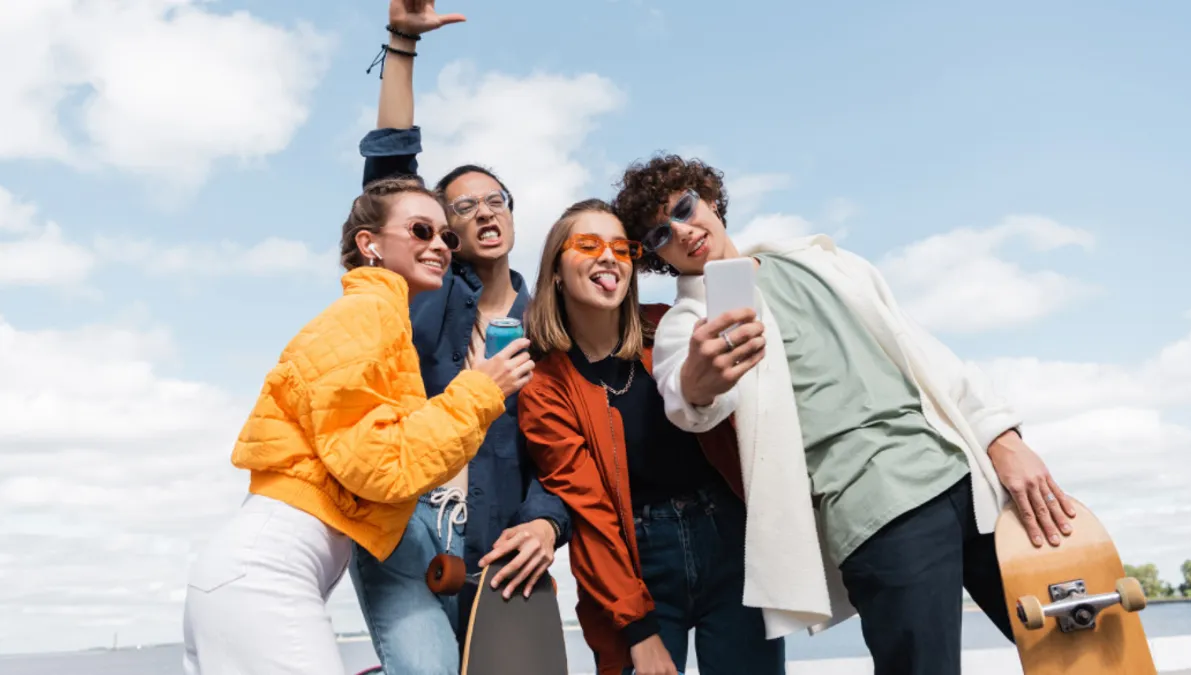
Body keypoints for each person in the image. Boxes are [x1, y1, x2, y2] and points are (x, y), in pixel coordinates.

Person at [611, 154, 1078, 675]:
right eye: (658, 235)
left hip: (976, 481)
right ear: (657, 258)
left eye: (683, 207)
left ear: (710, 198)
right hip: (879, 513)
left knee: (1079, 653)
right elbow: (685, 401)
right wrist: (703, 376)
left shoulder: (821, 260)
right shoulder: (689, 323)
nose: (680, 230)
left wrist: (1004, 441)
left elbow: (926, 354)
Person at [181, 178, 535, 675]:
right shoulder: (366, 315)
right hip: (265, 575)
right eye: (419, 230)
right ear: (369, 244)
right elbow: (378, 466)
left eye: (444, 237)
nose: (438, 245)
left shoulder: (385, 320)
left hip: (259, 574)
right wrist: (482, 390)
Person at [350, 2, 571, 673]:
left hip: (500, 546)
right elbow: (391, 174)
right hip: (403, 525)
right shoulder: (426, 292)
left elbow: (569, 458)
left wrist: (546, 522)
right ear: (444, 230)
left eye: (495, 198)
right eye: (462, 206)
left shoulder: (551, 329)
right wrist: (402, 45)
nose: (483, 211)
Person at [517, 199, 785, 675]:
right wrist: (638, 630)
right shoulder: (544, 387)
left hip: (729, 537)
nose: (609, 256)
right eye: (588, 244)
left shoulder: (672, 326)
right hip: (636, 561)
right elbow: (590, 510)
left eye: (622, 248)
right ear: (556, 270)